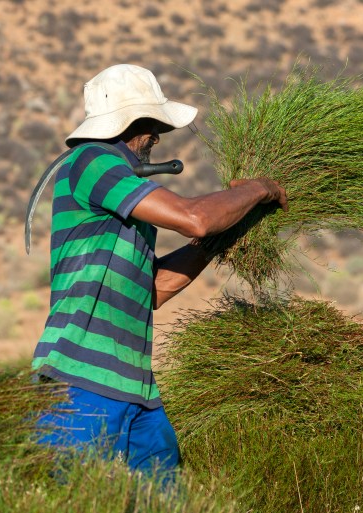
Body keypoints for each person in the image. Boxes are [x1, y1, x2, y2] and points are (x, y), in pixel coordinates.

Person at [32, 64, 287, 480]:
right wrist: (259, 189)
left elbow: (152, 290)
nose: (158, 137)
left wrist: (228, 234)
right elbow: (193, 217)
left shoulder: (124, 199)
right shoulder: (91, 161)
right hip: (79, 382)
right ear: (136, 122)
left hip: (138, 391)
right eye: (155, 125)